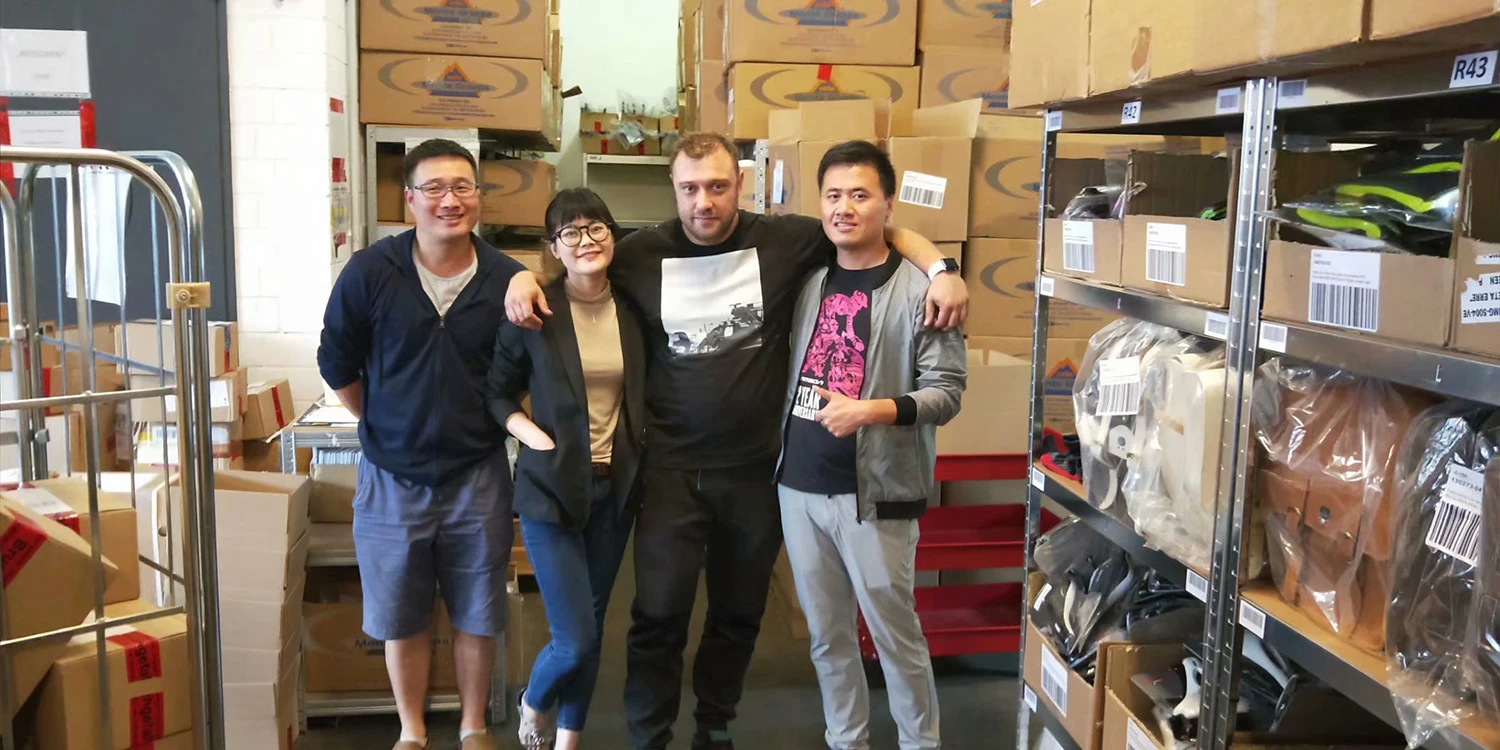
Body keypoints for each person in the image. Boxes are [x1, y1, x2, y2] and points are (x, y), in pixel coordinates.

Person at [505, 132, 968, 750]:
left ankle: (715, 726)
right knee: (658, 614)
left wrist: (941, 270)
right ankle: (650, 737)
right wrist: (521, 279)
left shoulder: (785, 240)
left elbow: (875, 228)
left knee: (739, 613)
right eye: (690, 188)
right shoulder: (640, 253)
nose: (704, 201)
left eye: (718, 186)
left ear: (740, 185)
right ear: (673, 188)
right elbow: (572, 264)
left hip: (755, 469)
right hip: (669, 470)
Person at [317, 139, 520, 750]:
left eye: (462, 187)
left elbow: (519, 375)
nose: (449, 200)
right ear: (409, 199)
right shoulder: (371, 272)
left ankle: (473, 725)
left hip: (477, 472)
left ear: (479, 197)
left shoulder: (506, 279)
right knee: (400, 610)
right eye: (433, 188)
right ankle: (412, 730)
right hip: (391, 477)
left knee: (477, 607)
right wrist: (383, 421)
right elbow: (337, 363)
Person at [777, 141, 966, 750]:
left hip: (877, 493)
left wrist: (872, 411)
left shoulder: (921, 291)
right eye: (833, 195)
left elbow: (947, 393)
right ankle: (846, 740)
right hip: (798, 487)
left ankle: (920, 742)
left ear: (888, 204)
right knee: (827, 637)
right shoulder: (808, 279)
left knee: (894, 636)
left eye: (860, 195)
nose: (845, 208)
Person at [484, 188, 647, 750]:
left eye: (596, 227)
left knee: (593, 627)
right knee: (574, 638)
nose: (585, 241)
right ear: (553, 247)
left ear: (613, 234)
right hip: (550, 490)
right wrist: (532, 437)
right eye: (570, 232)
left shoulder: (635, 309)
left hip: (614, 489)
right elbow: (497, 392)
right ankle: (534, 700)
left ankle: (568, 739)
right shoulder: (534, 311)